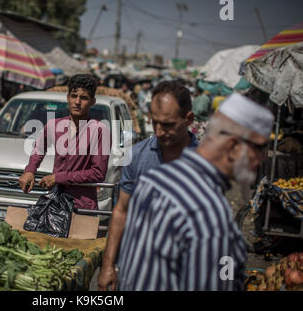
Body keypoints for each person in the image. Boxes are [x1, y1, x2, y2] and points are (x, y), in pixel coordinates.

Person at [116, 93, 274, 291]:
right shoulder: (209, 214)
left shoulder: (154, 180)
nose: (261, 159)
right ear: (234, 146)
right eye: (259, 148)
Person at [98, 80, 198, 291]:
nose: (160, 131)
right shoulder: (137, 155)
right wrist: (108, 266)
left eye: (168, 124)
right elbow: (121, 212)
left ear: (189, 119)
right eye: (155, 123)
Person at [18, 74, 110, 211]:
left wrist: (58, 177)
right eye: (74, 96)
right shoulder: (54, 125)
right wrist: (30, 170)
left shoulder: (100, 130)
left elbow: (98, 173)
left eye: (83, 98)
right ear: (68, 98)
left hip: (82, 206)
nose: (77, 102)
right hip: (55, 203)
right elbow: (38, 150)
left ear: (92, 101)